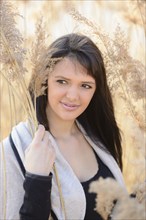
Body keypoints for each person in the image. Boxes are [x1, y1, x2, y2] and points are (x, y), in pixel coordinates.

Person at [0, 33, 126, 220]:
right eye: (62, 81)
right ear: (44, 81)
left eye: (85, 85)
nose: (73, 96)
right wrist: (37, 179)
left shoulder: (96, 136)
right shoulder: (13, 150)